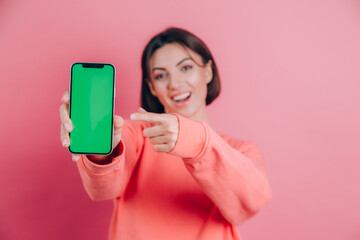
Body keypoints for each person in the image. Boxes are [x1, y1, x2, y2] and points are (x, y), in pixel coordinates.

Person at [59, 27, 271, 240]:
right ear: (151, 87)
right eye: (161, 75)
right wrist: (101, 147)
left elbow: (250, 204)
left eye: (186, 67)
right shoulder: (136, 136)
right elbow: (101, 189)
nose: (175, 84)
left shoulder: (240, 151)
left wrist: (196, 140)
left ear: (208, 71)